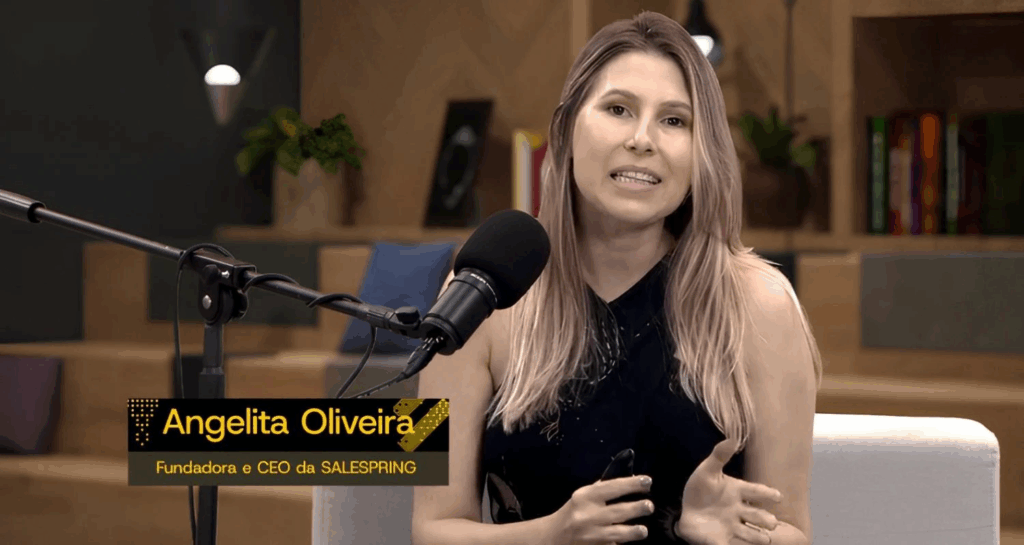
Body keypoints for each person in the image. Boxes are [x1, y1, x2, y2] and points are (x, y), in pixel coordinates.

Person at [411, 10, 822, 545]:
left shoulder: (762, 304)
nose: (642, 139)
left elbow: (794, 533)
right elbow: (432, 528)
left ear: (702, 153)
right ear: (566, 130)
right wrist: (551, 535)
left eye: (674, 121)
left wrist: (716, 535)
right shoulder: (478, 293)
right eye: (618, 109)